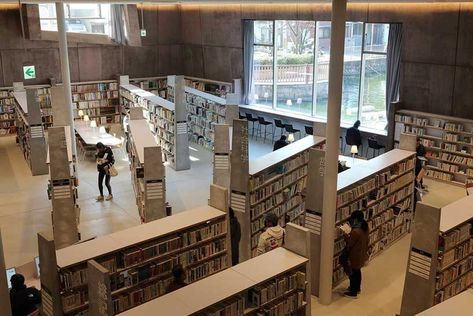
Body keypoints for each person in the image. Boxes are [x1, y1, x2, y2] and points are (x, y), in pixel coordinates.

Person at [341, 211, 369, 298]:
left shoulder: (356, 231)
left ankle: (353, 292)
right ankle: (357, 288)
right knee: (357, 272)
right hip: (361, 254)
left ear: (356, 219)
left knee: (352, 273)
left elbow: (349, 244)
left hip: (354, 256)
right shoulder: (365, 227)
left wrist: (345, 235)